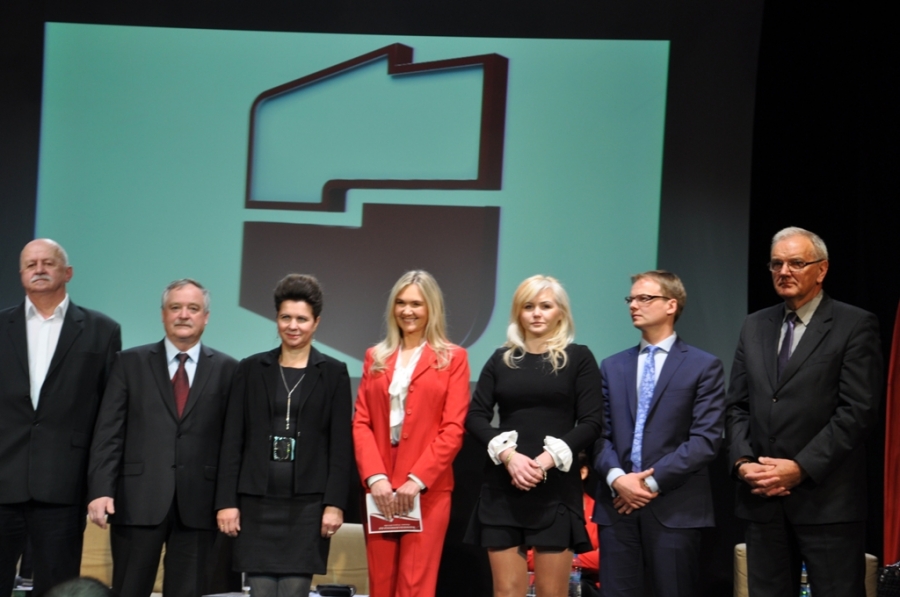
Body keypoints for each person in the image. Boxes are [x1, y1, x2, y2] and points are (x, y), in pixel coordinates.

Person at [726, 227, 882, 597]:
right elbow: (737, 405)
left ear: (822, 269)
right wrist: (743, 462)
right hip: (762, 500)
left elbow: (857, 411)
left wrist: (800, 468)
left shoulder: (854, 324)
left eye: (796, 263)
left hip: (826, 502)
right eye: (776, 264)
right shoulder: (754, 324)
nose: (784, 271)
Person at [87, 279, 238, 597]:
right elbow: (108, 432)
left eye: (193, 308)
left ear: (206, 317)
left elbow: (232, 445)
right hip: (136, 502)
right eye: (175, 307)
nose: (184, 314)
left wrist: (228, 501)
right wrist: (101, 489)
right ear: (162, 314)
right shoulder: (129, 363)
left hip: (199, 506)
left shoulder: (229, 369)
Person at [465, 275, 603, 597]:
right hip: (504, 485)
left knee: (551, 592)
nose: (537, 313)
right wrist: (509, 458)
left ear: (560, 312)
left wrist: (543, 462)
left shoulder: (579, 358)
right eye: (528, 306)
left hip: (556, 487)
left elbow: (592, 421)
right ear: (518, 312)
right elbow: (475, 416)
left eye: (546, 306)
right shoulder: (500, 359)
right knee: (507, 592)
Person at [216, 274, 352, 597]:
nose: (293, 326)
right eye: (285, 317)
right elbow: (232, 440)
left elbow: (340, 447)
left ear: (316, 322)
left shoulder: (333, 372)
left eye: (302, 319)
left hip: (307, 506)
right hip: (256, 502)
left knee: (294, 590)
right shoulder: (251, 369)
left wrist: (334, 504)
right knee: (261, 590)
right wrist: (226, 502)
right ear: (276, 319)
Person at [0, 239, 122, 597]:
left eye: (48, 263)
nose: (39, 269)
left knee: (57, 588)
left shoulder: (102, 330)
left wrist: (100, 485)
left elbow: (108, 417)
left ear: (67, 272)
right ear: (21, 274)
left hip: (63, 485)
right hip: (3, 480)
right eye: (30, 264)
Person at [593, 270, 726, 597]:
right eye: (631, 299)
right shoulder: (612, 366)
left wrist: (647, 484)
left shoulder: (703, 365)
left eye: (644, 298)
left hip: (675, 509)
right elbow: (598, 433)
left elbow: (705, 440)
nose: (633, 305)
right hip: (617, 506)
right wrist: (618, 479)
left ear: (671, 305)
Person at [352, 270, 471, 597]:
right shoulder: (375, 357)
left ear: (431, 308)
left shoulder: (453, 358)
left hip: (426, 491)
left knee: (414, 586)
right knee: (381, 584)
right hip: (379, 490)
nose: (407, 311)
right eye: (401, 303)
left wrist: (416, 480)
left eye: (416, 304)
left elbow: (453, 428)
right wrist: (376, 478)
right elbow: (361, 422)